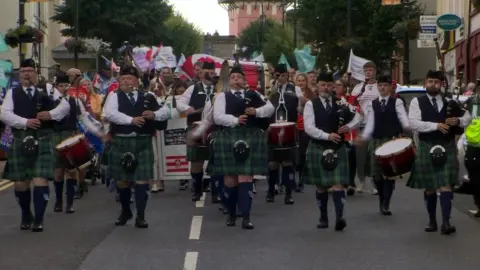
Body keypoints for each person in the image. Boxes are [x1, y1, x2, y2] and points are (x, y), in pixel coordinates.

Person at [0, 59, 70, 232]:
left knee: (40, 179)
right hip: (21, 138)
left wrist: (51, 114)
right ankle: (26, 214)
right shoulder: (12, 93)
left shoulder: (48, 89)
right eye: (23, 71)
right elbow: (4, 114)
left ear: (36, 73)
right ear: (19, 74)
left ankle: (39, 219)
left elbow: (65, 106)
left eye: (30, 70)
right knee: (21, 183)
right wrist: (25, 122)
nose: (26, 74)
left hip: (44, 138)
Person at [103, 65, 169, 228]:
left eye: (129, 78)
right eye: (122, 78)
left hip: (142, 142)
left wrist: (154, 114)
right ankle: (126, 210)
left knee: (142, 180)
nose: (125, 81)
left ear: (137, 81)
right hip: (121, 142)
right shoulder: (113, 96)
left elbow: (167, 111)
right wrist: (130, 120)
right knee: (122, 182)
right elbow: (110, 114)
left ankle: (141, 215)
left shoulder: (148, 96)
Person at [407, 70, 471, 235]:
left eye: (436, 82)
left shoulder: (450, 102)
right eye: (430, 81)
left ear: (441, 84)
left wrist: (457, 120)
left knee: (446, 185)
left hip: (446, 145)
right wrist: (436, 125)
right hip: (427, 145)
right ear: (425, 83)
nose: (432, 84)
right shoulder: (417, 102)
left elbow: (468, 118)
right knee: (429, 187)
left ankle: (446, 222)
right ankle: (432, 220)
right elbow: (413, 124)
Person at [211, 65, 274, 229]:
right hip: (229, 137)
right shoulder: (222, 97)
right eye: (233, 77)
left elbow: (270, 108)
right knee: (230, 180)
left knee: (246, 177)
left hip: (249, 137)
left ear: (244, 80)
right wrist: (235, 120)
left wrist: (256, 111)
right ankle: (232, 214)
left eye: (239, 77)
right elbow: (217, 117)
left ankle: (246, 217)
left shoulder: (253, 94)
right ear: (229, 81)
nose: (236, 79)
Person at [303, 72, 361, 231]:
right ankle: (323, 217)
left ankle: (339, 217)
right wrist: (327, 136)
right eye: (323, 84)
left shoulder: (341, 102)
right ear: (318, 86)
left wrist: (349, 127)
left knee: (338, 185)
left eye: (329, 85)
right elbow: (309, 128)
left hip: (338, 148)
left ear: (333, 87)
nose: (326, 88)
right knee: (321, 186)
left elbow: (358, 117)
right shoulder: (310, 104)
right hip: (318, 146)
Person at [355, 75, 410, 215]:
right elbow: (370, 123)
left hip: (392, 141)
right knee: (376, 174)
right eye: (380, 85)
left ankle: (385, 204)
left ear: (390, 87)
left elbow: (403, 118)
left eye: (385, 85)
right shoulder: (373, 104)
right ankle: (382, 198)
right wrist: (364, 137)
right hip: (376, 141)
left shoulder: (396, 102)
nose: (382, 88)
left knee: (389, 174)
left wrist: (408, 128)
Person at [177, 61, 217, 201]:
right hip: (196, 126)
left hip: (214, 128)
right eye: (208, 73)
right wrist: (187, 109)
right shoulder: (193, 88)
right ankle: (197, 189)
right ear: (201, 74)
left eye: (213, 73)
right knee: (196, 161)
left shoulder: (219, 89)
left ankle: (215, 191)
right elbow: (180, 103)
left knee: (216, 159)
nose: (211, 75)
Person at [266, 63, 304, 204]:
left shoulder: (296, 89)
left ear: (288, 75)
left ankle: (288, 194)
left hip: (289, 128)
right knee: (273, 163)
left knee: (288, 162)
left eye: (283, 75)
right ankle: (271, 191)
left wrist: (299, 101)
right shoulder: (271, 88)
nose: (281, 78)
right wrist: (275, 86)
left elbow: (300, 109)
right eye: (278, 75)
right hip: (274, 129)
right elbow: (266, 106)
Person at [52, 73, 88, 214]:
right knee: (59, 172)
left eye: (66, 85)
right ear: (57, 87)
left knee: (72, 171)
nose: (64, 88)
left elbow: (83, 118)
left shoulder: (75, 101)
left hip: (71, 136)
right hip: (56, 136)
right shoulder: (51, 101)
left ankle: (70, 203)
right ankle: (59, 201)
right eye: (61, 86)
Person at [351, 61, 380, 194]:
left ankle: (374, 182)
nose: (368, 72)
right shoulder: (358, 88)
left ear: (375, 71)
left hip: (376, 126)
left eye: (370, 70)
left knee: (374, 155)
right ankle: (361, 181)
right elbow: (351, 104)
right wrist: (358, 110)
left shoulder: (380, 87)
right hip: (361, 125)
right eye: (366, 70)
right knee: (360, 155)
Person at [335, 79, 359, 195]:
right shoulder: (331, 100)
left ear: (345, 87)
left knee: (351, 154)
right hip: (333, 134)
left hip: (348, 134)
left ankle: (350, 182)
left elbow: (358, 114)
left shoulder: (351, 100)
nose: (336, 87)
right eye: (335, 85)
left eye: (339, 85)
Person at [295, 73, 316, 192]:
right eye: (299, 80)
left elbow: (315, 108)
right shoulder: (292, 92)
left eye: (303, 80)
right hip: (294, 126)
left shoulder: (311, 94)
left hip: (305, 127)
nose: (301, 83)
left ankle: (302, 180)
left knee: (303, 153)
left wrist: (305, 100)